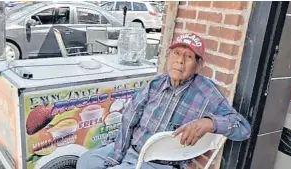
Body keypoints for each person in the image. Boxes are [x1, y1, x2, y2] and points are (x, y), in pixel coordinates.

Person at [77, 33, 251, 169]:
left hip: (159, 163)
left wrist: (209, 123)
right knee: (85, 162)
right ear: (168, 56)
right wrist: (116, 156)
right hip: (130, 149)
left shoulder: (206, 93)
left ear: (199, 65)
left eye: (189, 57)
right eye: (176, 53)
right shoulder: (156, 84)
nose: (180, 61)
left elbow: (243, 128)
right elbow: (129, 118)